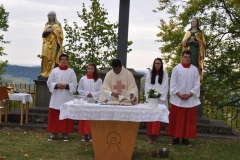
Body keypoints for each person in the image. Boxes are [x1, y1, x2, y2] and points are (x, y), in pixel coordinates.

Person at [167, 50, 200, 146]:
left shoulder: (194, 70)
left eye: (189, 57)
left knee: (187, 120)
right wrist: (178, 94)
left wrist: (190, 94)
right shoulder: (176, 69)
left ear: (190, 58)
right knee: (176, 119)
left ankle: (186, 138)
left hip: (189, 99)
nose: (187, 59)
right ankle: (175, 137)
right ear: (182, 57)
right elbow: (173, 83)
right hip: (178, 99)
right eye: (185, 57)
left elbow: (197, 84)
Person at [47, 54, 77, 142]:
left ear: (67, 61)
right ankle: (54, 133)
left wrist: (66, 85)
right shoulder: (54, 71)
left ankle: (65, 134)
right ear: (59, 60)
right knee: (55, 115)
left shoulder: (71, 72)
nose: (64, 61)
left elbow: (74, 84)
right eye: (62, 59)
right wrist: (56, 85)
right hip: (56, 97)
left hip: (66, 97)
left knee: (65, 115)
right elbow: (49, 83)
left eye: (65, 59)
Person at [145, 58, 168, 144]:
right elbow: (147, 86)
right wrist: (151, 95)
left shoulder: (165, 74)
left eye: (159, 63)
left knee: (158, 118)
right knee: (150, 118)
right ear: (154, 64)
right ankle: (150, 136)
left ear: (161, 64)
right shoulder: (150, 74)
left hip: (160, 100)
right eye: (156, 63)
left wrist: (158, 94)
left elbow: (165, 87)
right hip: (152, 99)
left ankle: (156, 136)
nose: (157, 65)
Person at [77, 62, 102, 142]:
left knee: (93, 118)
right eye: (89, 68)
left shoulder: (98, 80)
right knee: (85, 118)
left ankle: (93, 135)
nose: (90, 70)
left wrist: (93, 94)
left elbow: (100, 90)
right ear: (87, 69)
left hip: (94, 101)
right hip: (85, 101)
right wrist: (87, 94)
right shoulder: (83, 79)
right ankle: (85, 135)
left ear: (94, 70)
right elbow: (79, 89)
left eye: (92, 68)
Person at [182, 17, 206, 83]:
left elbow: (203, 43)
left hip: (196, 51)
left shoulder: (200, 32)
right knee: (188, 63)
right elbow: (183, 43)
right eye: (192, 21)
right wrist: (189, 42)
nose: (193, 22)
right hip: (189, 51)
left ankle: (196, 81)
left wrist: (195, 42)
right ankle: (188, 80)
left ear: (197, 23)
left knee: (195, 65)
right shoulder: (187, 32)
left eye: (194, 21)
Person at [41, 11, 64, 77]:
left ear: (55, 16)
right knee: (45, 56)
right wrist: (46, 31)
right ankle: (45, 71)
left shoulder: (58, 25)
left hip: (54, 43)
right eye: (50, 15)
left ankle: (53, 72)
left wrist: (53, 31)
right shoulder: (46, 25)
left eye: (53, 15)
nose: (51, 17)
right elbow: (43, 35)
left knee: (53, 57)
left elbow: (61, 36)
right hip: (46, 43)